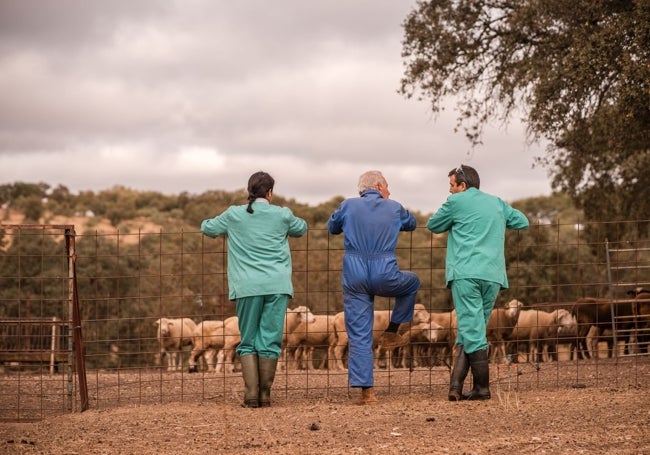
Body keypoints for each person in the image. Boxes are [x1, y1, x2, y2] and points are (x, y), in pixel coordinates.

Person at [200, 171, 307, 408]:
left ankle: (250, 396)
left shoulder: (234, 214)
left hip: (246, 286)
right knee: (270, 338)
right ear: (270, 192)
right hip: (277, 285)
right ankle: (265, 395)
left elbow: (207, 228)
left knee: (247, 339)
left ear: (249, 191)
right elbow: (301, 228)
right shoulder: (282, 214)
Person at [426, 164, 529, 401]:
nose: (450, 190)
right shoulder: (496, 202)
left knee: (472, 331)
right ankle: (455, 387)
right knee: (473, 329)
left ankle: (482, 388)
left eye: (452, 185)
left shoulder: (455, 202)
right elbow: (522, 221)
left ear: (463, 185)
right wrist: (496, 222)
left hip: (466, 274)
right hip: (492, 275)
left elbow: (434, 225)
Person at [327, 170, 421, 405]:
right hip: (385, 272)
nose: (389, 191)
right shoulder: (394, 206)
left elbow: (332, 227)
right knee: (412, 282)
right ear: (379, 187)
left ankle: (366, 393)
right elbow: (411, 224)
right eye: (387, 187)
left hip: (354, 274)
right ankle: (393, 329)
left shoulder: (347, 205)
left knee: (359, 333)